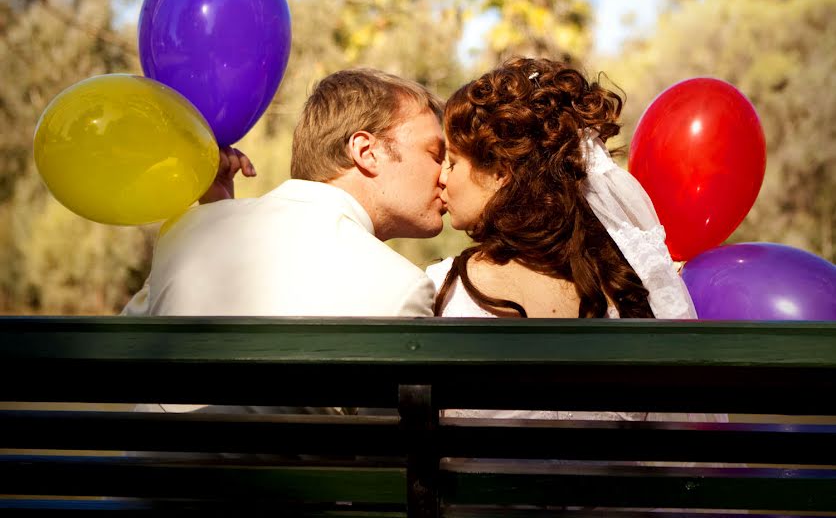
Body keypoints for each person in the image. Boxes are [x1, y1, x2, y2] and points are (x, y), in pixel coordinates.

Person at [427, 57, 718, 424]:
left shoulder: (441, 293)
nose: (442, 177)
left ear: (501, 171)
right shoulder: (626, 295)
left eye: (453, 162)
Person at [123, 68, 446, 318]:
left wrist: (216, 217)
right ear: (366, 151)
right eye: (435, 153)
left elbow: (127, 349)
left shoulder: (185, 232)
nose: (446, 174)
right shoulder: (400, 288)